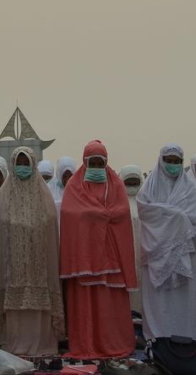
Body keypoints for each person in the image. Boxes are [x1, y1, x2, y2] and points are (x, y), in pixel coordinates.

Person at [60, 140, 137, 359]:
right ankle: (87, 343)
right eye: (91, 163)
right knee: (86, 305)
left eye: (99, 162)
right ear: (85, 162)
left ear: (106, 162)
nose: (95, 167)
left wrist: (97, 215)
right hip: (84, 264)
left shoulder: (116, 185)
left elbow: (121, 212)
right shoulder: (74, 186)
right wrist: (98, 214)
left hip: (111, 263)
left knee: (109, 305)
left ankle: (113, 342)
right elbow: (70, 213)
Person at [0, 146, 64, 356]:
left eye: (26, 163)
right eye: (18, 164)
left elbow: (49, 222)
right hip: (13, 266)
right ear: (13, 166)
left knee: (39, 308)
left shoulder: (45, 197)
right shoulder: (4, 198)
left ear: (33, 165)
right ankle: (13, 345)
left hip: (39, 266)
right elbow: (1, 223)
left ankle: (42, 344)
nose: (22, 167)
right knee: (13, 309)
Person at [137, 144, 196, 345]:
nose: (172, 165)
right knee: (161, 303)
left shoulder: (189, 189)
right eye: (169, 161)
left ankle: (192, 339)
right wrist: (176, 216)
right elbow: (146, 212)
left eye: (176, 162)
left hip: (187, 253)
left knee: (187, 301)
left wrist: (171, 216)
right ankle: (160, 340)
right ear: (161, 161)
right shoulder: (149, 187)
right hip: (158, 255)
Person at [120, 164, 144, 313]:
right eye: (128, 182)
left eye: (135, 182)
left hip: (143, 255)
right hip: (124, 255)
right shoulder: (116, 201)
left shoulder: (146, 201)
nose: (132, 185)